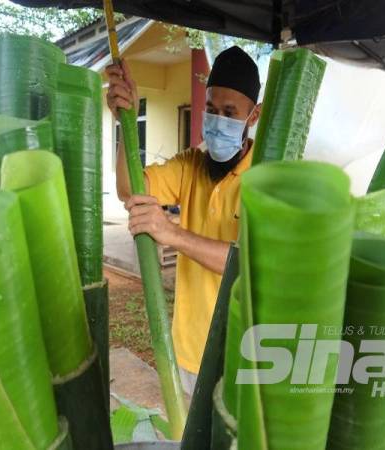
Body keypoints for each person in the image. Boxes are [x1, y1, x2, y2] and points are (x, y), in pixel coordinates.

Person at [106, 46, 261, 394]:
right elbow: (130, 188)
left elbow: (251, 262)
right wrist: (125, 122)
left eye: (229, 112)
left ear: (253, 116)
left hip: (241, 359)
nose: (216, 120)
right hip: (190, 353)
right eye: (210, 109)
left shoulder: (266, 179)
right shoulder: (191, 164)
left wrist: (171, 234)